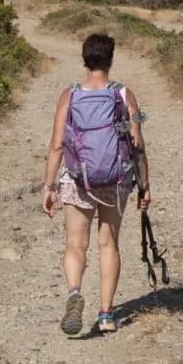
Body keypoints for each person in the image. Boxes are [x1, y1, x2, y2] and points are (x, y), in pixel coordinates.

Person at [41, 32, 152, 336]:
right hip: (116, 180)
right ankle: (106, 314)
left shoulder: (70, 95)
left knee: (76, 244)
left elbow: (56, 146)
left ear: (84, 61)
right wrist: (145, 185)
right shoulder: (124, 95)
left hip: (78, 180)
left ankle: (75, 291)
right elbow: (137, 143)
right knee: (109, 243)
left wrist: (49, 187)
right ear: (111, 60)